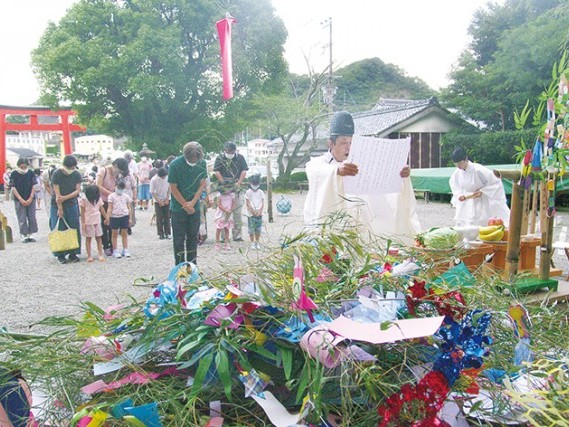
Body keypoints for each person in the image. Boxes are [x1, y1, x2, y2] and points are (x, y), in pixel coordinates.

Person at [303, 111, 421, 244]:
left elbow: (382, 180)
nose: (348, 148)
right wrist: (336, 171)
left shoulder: (361, 162)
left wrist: (400, 173)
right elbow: (314, 171)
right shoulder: (320, 163)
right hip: (335, 226)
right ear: (330, 143)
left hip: (361, 224)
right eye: (343, 143)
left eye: (351, 143)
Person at [449, 147, 510, 227]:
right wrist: (459, 195)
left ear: (466, 159)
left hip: (483, 200)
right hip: (467, 201)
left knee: (484, 223)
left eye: (460, 163)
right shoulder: (457, 173)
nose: (458, 166)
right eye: (456, 164)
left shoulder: (478, 169)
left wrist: (483, 191)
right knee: (467, 224)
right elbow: (454, 185)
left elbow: (495, 181)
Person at [168, 141, 207, 265]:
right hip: (178, 207)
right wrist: (185, 204)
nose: (194, 161)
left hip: (194, 207)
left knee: (193, 238)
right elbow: (173, 187)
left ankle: (192, 267)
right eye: (192, 159)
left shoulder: (202, 163)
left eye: (196, 159)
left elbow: (202, 184)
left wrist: (193, 203)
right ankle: (179, 267)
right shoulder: (175, 165)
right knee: (178, 239)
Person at [50, 155, 83, 263]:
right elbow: (57, 194)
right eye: (70, 168)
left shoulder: (76, 174)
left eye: (73, 168)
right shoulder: (56, 174)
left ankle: (73, 252)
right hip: (57, 204)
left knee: (73, 227)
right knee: (60, 228)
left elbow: (77, 190)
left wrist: (66, 197)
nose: (71, 170)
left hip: (71, 203)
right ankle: (60, 254)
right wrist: (60, 208)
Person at [213, 142, 248, 242]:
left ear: (235, 151)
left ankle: (237, 235)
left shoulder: (240, 158)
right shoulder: (220, 158)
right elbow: (216, 171)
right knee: (223, 212)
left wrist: (238, 183)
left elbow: (244, 171)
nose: (229, 153)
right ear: (225, 150)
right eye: (228, 151)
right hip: (223, 189)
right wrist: (222, 182)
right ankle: (224, 237)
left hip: (236, 187)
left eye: (231, 152)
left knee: (237, 212)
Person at [96, 159, 121, 255]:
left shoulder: (116, 175)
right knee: (104, 223)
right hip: (102, 201)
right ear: (115, 166)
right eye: (118, 170)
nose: (118, 172)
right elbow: (98, 186)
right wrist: (110, 193)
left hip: (112, 201)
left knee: (113, 224)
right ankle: (106, 245)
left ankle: (113, 245)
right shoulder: (103, 171)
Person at [10, 158, 38, 243]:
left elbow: (34, 186)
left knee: (32, 216)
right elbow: (13, 187)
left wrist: (30, 198)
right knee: (21, 217)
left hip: (31, 198)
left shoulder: (31, 173)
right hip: (19, 199)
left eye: (25, 167)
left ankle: (31, 233)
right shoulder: (14, 174)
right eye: (21, 167)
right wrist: (20, 199)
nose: (23, 168)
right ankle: (24, 234)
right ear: (18, 166)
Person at [104, 179, 133, 258]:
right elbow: (109, 208)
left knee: (124, 233)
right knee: (114, 234)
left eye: (122, 188)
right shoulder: (111, 196)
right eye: (119, 188)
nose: (120, 190)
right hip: (114, 217)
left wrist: (130, 218)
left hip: (124, 216)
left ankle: (125, 249)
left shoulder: (126, 196)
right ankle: (115, 250)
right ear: (115, 186)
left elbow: (129, 208)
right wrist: (107, 217)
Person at [80, 184, 107, 262]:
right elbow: (82, 212)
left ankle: (100, 255)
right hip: (88, 222)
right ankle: (89, 256)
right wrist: (83, 223)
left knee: (99, 238)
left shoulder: (98, 199)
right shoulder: (84, 199)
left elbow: (101, 209)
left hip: (97, 220)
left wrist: (106, 217)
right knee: (88, 239)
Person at [150, 167, 171, 240]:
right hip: (157, 200)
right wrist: (159, 201)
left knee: (167, 217)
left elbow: (170, 188)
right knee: (159, 217)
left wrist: (167, 198)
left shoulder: (168, 178)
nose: (164, 177)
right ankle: (160, 233)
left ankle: (167, 233)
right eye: (162, 176)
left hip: (166, 198)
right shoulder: (154, 180)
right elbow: (152, 192)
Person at [245, 173, 265, 249]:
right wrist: (252, 211)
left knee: (258, 229)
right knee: (251, 229)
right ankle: (252, 242)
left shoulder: (261, 192)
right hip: (251, 214)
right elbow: (248, 203)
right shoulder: (248, 192)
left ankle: (257, 242)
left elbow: (262, 202)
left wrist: (260, 211)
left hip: (259, 213)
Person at [214, 183, 236, 251]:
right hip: (221, 214)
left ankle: (226, 243)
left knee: (227, 229)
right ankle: (217, 243)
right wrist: (225, 210)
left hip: (228, 214)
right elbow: (219, 205)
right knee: (219, 229)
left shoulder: (232, 195)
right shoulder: (219, 195)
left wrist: (231, 210)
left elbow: (234, 203)